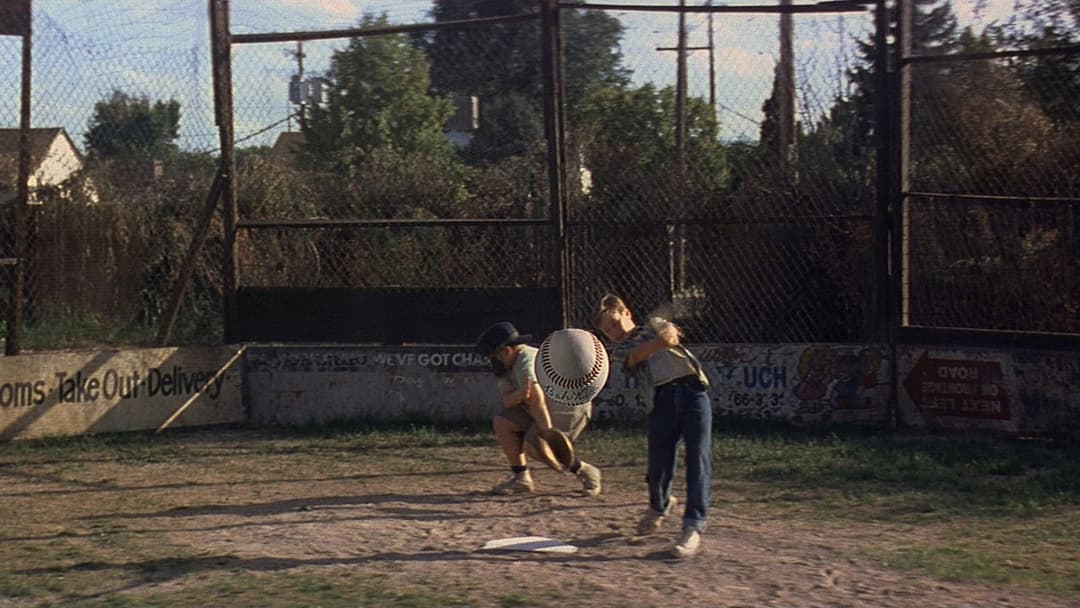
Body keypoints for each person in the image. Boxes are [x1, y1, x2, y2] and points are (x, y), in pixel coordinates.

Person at [596, 294, 712, 559]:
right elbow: (636, 356)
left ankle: (693, 526)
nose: (613, 333)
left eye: (615, 323)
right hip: (661, 400)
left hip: (693, 392)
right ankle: (659, 506)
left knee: (698, 457)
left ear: (626, 312)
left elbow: (672, 337)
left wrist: (661, 336)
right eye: (607, 331)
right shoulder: (619, 351)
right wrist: (659, 340)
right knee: (658, 465)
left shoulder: (654, 324)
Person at [476, 321, 603, 496]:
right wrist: (520, 395)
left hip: (569, 406)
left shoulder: (525, 359)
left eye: (494, 356)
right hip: (544, 406)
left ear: (506, 351)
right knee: (502, 423)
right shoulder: (506, 367)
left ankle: (586, 471)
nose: (492, 361)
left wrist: (547, 432)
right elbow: (507, 401)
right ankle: (522, 479)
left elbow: (536, 398)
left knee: (535, 446)